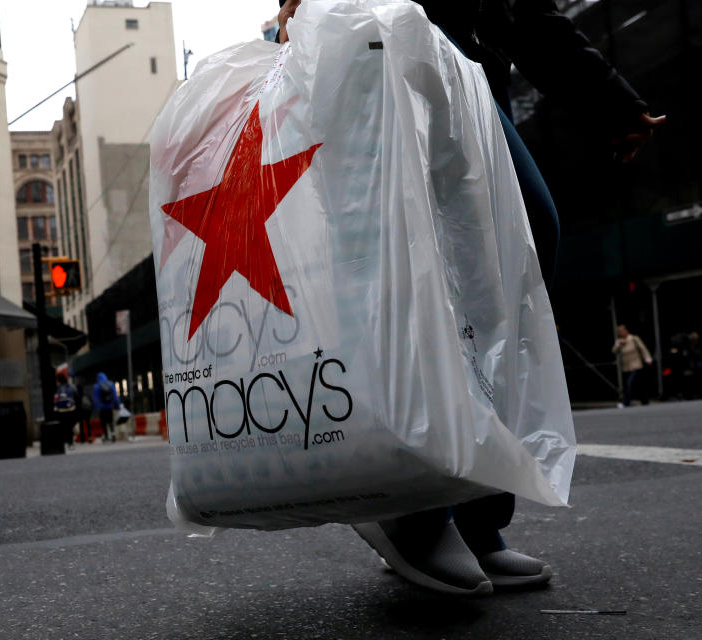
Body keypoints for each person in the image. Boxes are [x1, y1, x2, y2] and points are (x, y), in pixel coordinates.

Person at [276, 0, 665, 595]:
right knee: (437, 258)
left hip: (474, 52)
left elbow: (527, 10)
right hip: (383, 36)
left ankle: (476, 511)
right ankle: (414, 503)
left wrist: (608, 97)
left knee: (503, 259)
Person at [613, 324, 653, 406]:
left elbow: (642, 348)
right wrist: (619, 345)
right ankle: (644, 400)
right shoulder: (619, 341)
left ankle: (626, 402)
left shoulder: (633, 338)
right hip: (626, 366)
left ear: (626, 330)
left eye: (622, 330)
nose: (620, 333)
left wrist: (648, 358)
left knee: (630, 383)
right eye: (619, 332)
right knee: (637, 384)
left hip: (636, 364)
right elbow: (614, 351)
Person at [53, 364, 79, 447]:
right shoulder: (71, 386)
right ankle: (70, 442)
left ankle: (67, 441)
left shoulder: (58, 388)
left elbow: (55, 398)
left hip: (61, 410)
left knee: (64, 426)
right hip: (70, 408)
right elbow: (76, 395)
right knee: (70, 425)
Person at [92, 372, 120, 442]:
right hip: (110, 406)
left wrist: (96, 407)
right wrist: (117, 404)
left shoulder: (96, 386)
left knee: (104, 422)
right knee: (110, 421)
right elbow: (115, 395)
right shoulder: (110, 384)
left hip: (102, 408)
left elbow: (95, 399)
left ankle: (106, 436)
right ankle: (113, 433)